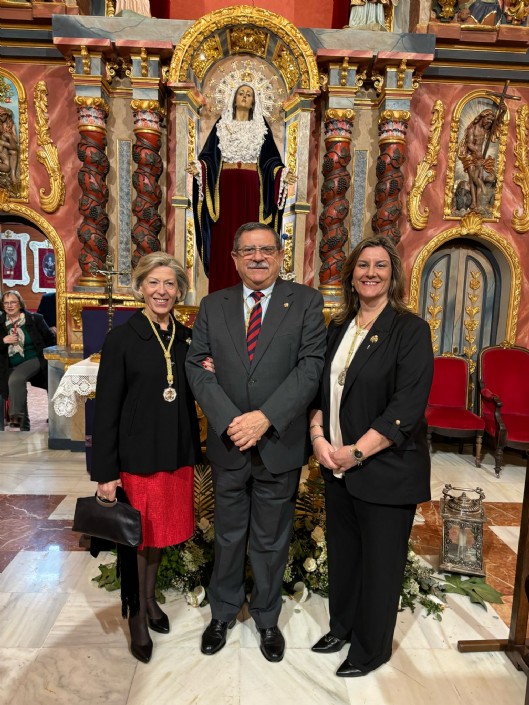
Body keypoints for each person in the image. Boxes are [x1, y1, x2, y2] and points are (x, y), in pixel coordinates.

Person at [186, 222, 326, 663]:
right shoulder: (213, 304)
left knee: (270, 537)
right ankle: (223, 612)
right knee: (228, 534)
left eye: (266, 249)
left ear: (281, 256)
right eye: (248, 250)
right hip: (231, 444)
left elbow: (310, 367)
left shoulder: (304, 302)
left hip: (277, 442)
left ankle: (267, 617)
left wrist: (265, 418)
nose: (258, 257)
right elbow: (197, 366)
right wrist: (231, 421)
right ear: (234, 258)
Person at [309, 235, 433, 678]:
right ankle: (341, 626)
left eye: (380, 266)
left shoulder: (410, 329)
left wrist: (357, 452)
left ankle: (370, 648)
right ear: (351, 274)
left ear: (393, 274)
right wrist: (318, 437)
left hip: (384, 469)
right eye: (363, 265)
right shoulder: (339, 325)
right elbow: (322, 389)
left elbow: (406, 407)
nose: (371, 273)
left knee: (380, 566)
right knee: (345, 557)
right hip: (337, 465)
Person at [90, 252, 202, 664]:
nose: (162, 291)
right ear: (139, 288)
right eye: (154, 283)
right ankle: (136, 615)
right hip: (136, 457)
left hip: (175, 453)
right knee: (137, 537)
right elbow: (106, 411)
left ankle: (151, 600)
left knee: (159, 534)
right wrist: (105, 473)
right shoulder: (121, 338)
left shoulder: (187, 336)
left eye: (170, 284)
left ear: (179, 291)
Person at [188, 78, 296, 293]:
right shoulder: (221, 126)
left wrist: (281, 173)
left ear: (254, 101)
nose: (245, 97)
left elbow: (270, 161)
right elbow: (209, 157)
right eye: (241, 93)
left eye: (249, 94)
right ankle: (221, 294)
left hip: (252, 190)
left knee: (252, 236)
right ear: (234, 99)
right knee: (224, 239)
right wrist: (200, 168)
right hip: (224, 190)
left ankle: (252, 292)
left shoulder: (261, 128)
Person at [0, 289, 56, 429]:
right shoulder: (0, 323)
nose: (10, 305)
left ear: (20, 304)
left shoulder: (35, 319)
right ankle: (23, 428)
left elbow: (50, 340)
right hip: (10, 363)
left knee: (15, 379)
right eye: (6, 303)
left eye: (13, 302)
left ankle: (15, 421)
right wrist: (3, 341)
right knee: (16, 386)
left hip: (34, 359)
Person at [457, 108, 498, 211]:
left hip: (479, 157)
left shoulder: (485, 129)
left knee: (478, 176)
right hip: (470, 156)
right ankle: (475, 200)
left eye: (490, 121)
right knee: (473, 178)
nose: (489, 122)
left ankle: (478, 204)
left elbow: (498, 123)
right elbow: (469, 144)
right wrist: (476, 150)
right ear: (482, 117)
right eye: (488, 119)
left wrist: (503, 111)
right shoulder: (472, 129)